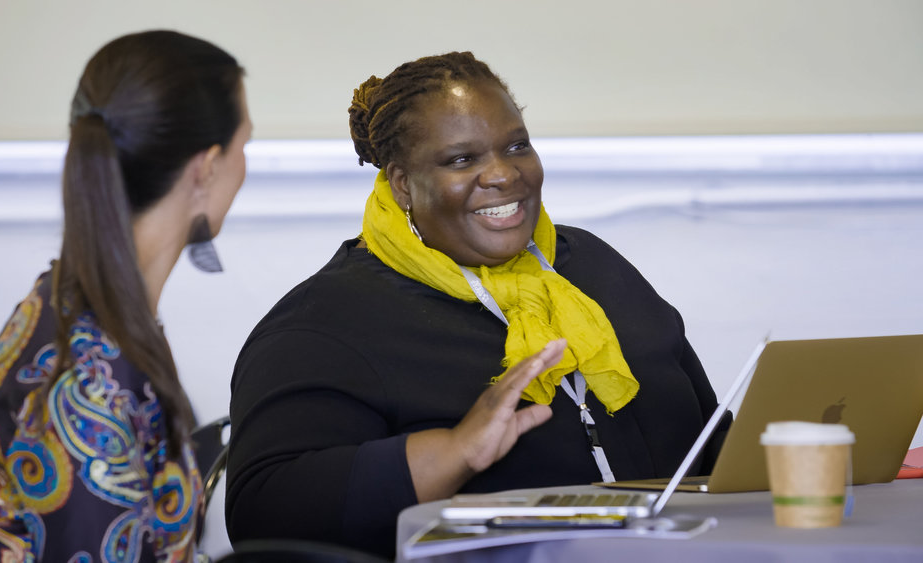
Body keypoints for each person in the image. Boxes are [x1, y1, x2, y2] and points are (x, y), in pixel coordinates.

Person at [226, 51, 726, 559]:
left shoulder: (591, 267)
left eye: (517, 146)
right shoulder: (325, 322)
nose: (504, 174)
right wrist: (453, 452)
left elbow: (708, 439)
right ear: (403, 184)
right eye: (461, 160)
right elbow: (263, 518)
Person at [0, 30, 250, 562]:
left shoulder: (71, 298)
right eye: (244, 147)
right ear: (208, 167)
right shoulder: (88, 387)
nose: (245, 169)